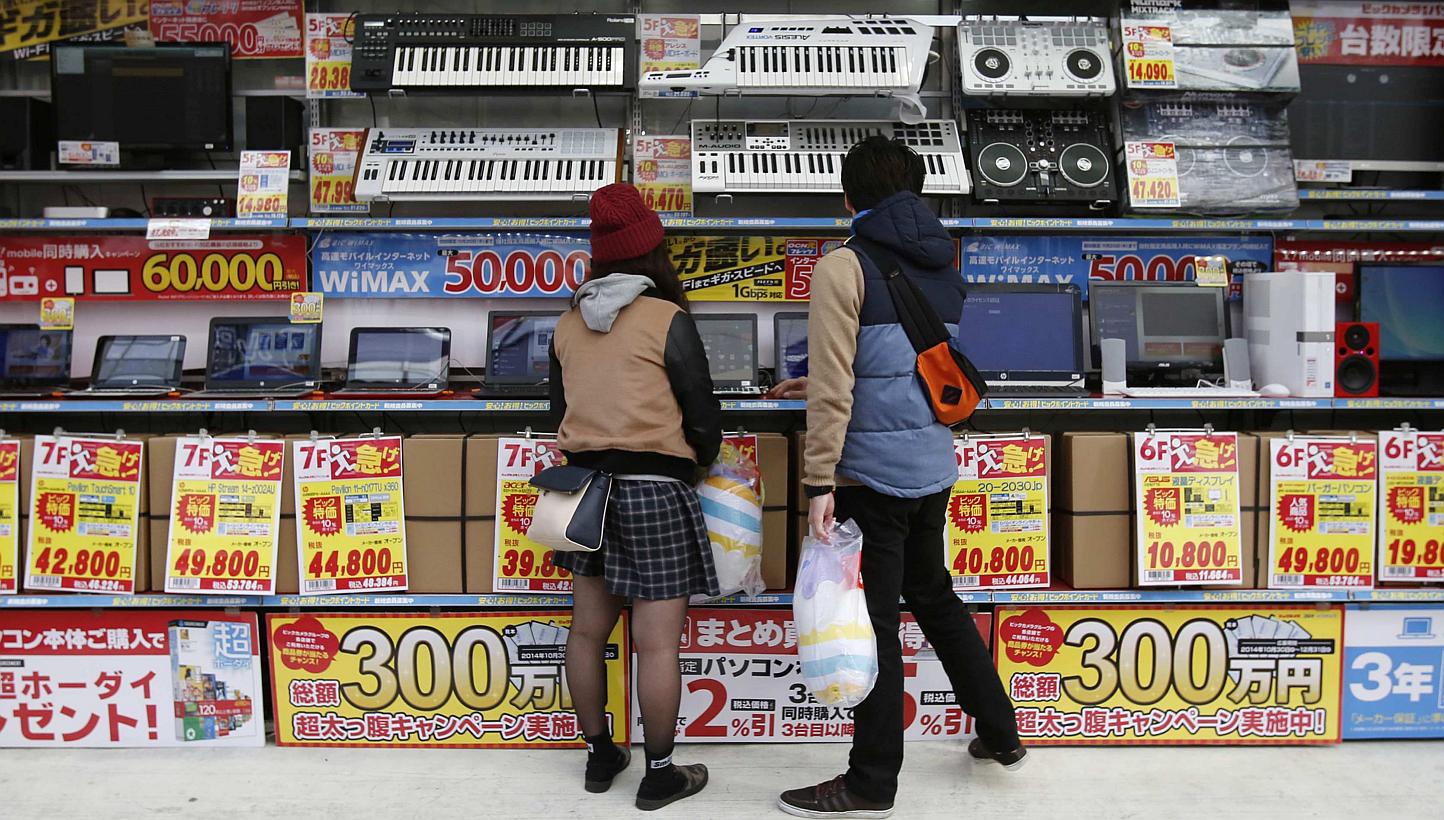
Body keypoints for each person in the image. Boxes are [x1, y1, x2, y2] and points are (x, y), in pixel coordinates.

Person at [777, 137, 1025, 819]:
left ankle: (870, 781)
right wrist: (823, 382)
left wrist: (819, 482)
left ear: (848, 198)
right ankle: (1001, 733)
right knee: (936, 598)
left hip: (871, 475)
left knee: (877, 623)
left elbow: (838, 385)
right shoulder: (942, 260)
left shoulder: (844, 264)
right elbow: (900, 363)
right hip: (930, 466)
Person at [548, 182, 721, 812]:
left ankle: (600, 756)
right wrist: (697, 461)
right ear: (653, 250)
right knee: (657, 643)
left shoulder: (566, 323)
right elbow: (702, 416)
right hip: (654, 492)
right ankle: (661, 773)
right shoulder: (668, 319)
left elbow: (559, 413)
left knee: (586, 633)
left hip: (581, 492)